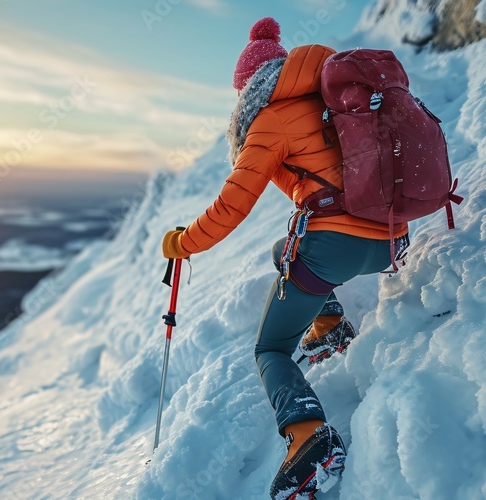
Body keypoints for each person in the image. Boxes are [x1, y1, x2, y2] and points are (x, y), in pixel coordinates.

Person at [160, 17, 407, 499]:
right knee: (286, 252)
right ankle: (328, 326)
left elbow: (231, 206)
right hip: (393, 239)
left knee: (270, 349)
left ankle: (308, 439)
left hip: (336, 248)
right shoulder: (336, 99)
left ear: (249, 87)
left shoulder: (271, 120)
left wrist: (182, 243)